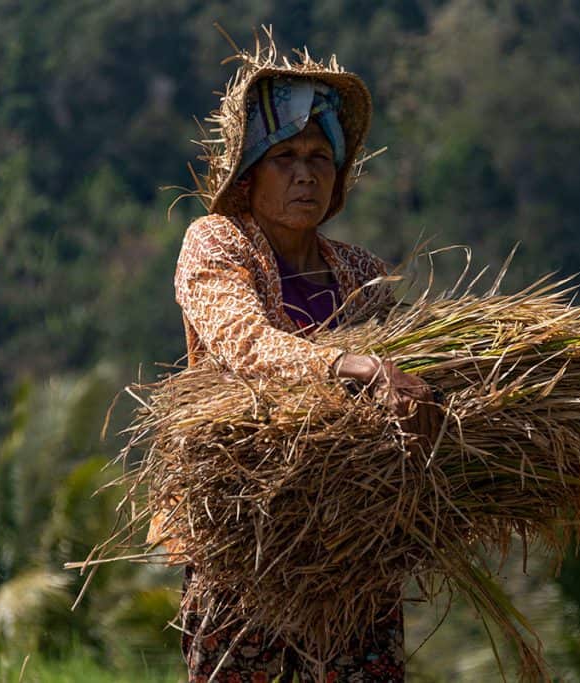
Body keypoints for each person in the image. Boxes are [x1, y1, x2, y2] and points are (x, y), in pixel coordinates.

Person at [150, 38, 442, 683]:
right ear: (248, 174)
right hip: (244, 528)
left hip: (352, 537)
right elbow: (244, 341)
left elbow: (409, 368)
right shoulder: (216, 244)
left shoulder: (360, 273)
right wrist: (353, 367)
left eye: (319, 157)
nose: (306, 174)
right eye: (284, 157)